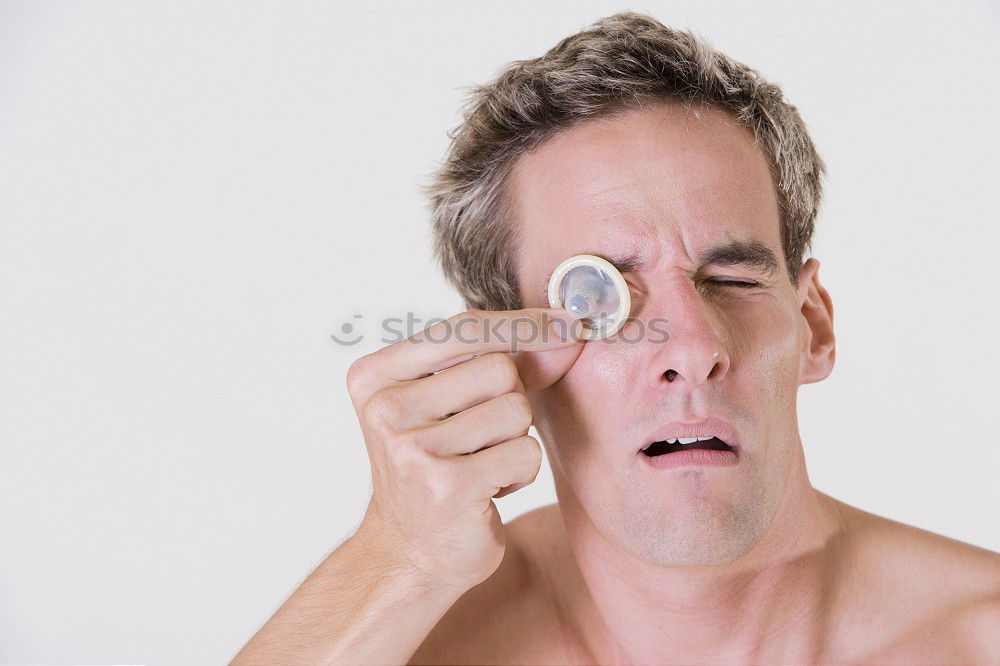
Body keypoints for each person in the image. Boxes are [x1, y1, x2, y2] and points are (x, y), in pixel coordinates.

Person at [233, 12, 1000, 664]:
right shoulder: (411, 645)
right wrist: (398, 559)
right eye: (597, 296)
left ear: (813, 326)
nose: (693, 346)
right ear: (498, 355)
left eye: (731, 279)